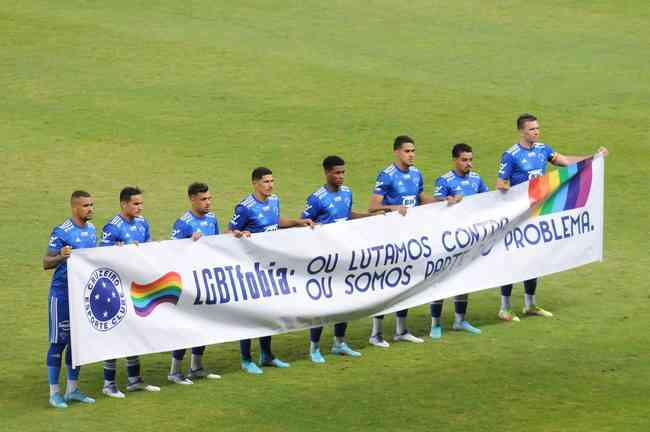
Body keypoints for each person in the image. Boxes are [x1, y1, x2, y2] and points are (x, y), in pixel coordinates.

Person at [496, 113, 609, 321]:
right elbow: (501, 184)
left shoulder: (543, 149)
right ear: (521, 131)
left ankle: (530, 305)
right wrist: (516, 194)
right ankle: (505, 308)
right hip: (519, 216)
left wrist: (594, 158)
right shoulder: (510, 155)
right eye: (531, 129)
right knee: (513, 259)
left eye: (537, 128)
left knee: (534, 257)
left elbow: (565, 161)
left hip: (540, 213)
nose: (536, 132)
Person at [228, 167, 315, 374]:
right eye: (266, 181)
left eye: (272, 181)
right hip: (250, 269)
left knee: (268, 311)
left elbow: (275, 222)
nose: (270, 185)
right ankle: (246, 359)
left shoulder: (274, 200)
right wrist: (240, 233)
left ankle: (266, 355)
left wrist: (296, 222)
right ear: (255, 183)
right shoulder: (245, 207)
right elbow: (229, 232)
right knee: (250, 314)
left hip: (271, 267)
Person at [302, 156, 378, 363]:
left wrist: (370, 217)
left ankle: (339, 343)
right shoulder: (316, 198)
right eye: (337, 173)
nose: (341, 176)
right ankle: (314, 348)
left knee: (345, 299)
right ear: (327, 173)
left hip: (345, 257)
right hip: (324, 259)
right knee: (322, 304)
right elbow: (304, 223)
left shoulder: (347, 192)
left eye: (343, 172)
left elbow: (348, 215)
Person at [368, 135, 435, 347]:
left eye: (413, 150)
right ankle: (375, 334)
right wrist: (393, 208)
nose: (411, 154)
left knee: (406, 282)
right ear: (397, 152)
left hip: (410, 238)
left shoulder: (416, 173)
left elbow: (421, 198)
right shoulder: (386, 175)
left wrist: (445, 202)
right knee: (386, 284)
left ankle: (401, 330)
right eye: (407, 151)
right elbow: (373, 206)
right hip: (389, 238)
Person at [100, 187, 160, 397]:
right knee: (116, 334)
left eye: (141, 203)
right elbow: (100, 256)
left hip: (136, 287)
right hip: (116, 290)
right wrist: (123, 249)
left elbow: (148, 247)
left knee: (133, 332)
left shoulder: (142, 222)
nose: (139, 207)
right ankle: (108, 384)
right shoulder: (112, 227)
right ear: (123, 204)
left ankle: (134, 380)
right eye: (135, 204)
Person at [43, 190, 98, 408]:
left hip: (82, 296)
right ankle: (53, 393)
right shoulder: (62, 231)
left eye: (91, 204)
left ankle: (72, 390)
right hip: (62, 296)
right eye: (86, 205)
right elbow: (46, 262)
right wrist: (61, 256)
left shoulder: (92, 229)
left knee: (77, 343)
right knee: (58, 343)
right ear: (75, 208)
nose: (90, 209)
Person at [430, 143, 487, 339]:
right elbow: (434, 205)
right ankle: (435, 324)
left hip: (469, 237)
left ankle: (460, 320)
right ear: (455, 160)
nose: (468, 163)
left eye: (470, 159)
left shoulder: (476, 179)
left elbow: (488, 200)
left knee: (465, 279)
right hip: (448, 238)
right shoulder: (444, 180)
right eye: (464, 160)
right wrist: (449, 201)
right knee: (442, 279)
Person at [167, 182, 222, 385]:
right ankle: (174, 371)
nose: (208, 203)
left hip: (205, 280)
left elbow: (217, 244)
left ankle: (196, 367)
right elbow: (171, 252)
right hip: (187, 283)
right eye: (203, 199)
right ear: (192, 199)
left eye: (209, 198)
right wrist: (189, 242)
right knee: (185, 327)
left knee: (203, 324)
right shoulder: (183, 223)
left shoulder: (212, 219)